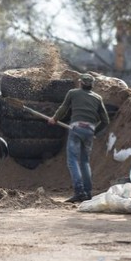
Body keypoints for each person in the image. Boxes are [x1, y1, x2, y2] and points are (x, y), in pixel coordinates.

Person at [48, 73, 110, 203]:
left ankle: (79, 191)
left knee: (73, 161)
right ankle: (87, 193)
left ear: (81, 83)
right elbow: (105, 121)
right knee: (85, 162)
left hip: (76, 129)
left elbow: (63, 108)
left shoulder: (73, 93)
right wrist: (94, 131)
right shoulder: (97, 98)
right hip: (89, 131)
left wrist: (54, 118)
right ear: (92, 86)